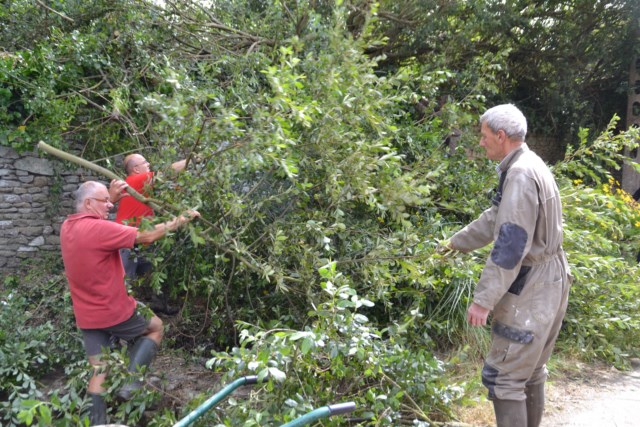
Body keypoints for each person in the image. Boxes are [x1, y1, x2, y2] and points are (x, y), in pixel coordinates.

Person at [439, 104, 572, 426]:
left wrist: (483, 300)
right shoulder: (530, 163)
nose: (481, 142)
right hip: (552, 280)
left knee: (505, 378)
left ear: (501, 136)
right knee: (530, 372)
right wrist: (453, 244)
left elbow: (511, 243)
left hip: (531, 285)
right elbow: (497, 218)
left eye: (484, 136)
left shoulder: (520, 174)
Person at [60, 179, 200, 426]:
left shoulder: (68, 226)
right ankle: (132, 383)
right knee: (155, 327)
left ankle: (97, 423)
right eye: (105, 202)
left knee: (99, 370)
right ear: (89, 203)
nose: (110, 206)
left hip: (87, 314)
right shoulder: (99, 230)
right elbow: (147, 236)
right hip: (114, 309)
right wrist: (182, 218)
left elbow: (95, 221)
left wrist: (110, 197)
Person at [115, 153, 188, 314]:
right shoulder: (135, 181)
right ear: (136, 168)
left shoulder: (142, 186)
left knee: (156, 270)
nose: (149, 164)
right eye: (145, 162)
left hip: (141, 239)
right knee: (125, 280)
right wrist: (192, 159)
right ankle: (121, 317)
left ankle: (159, 304)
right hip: (126, 242)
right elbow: (168, 173)